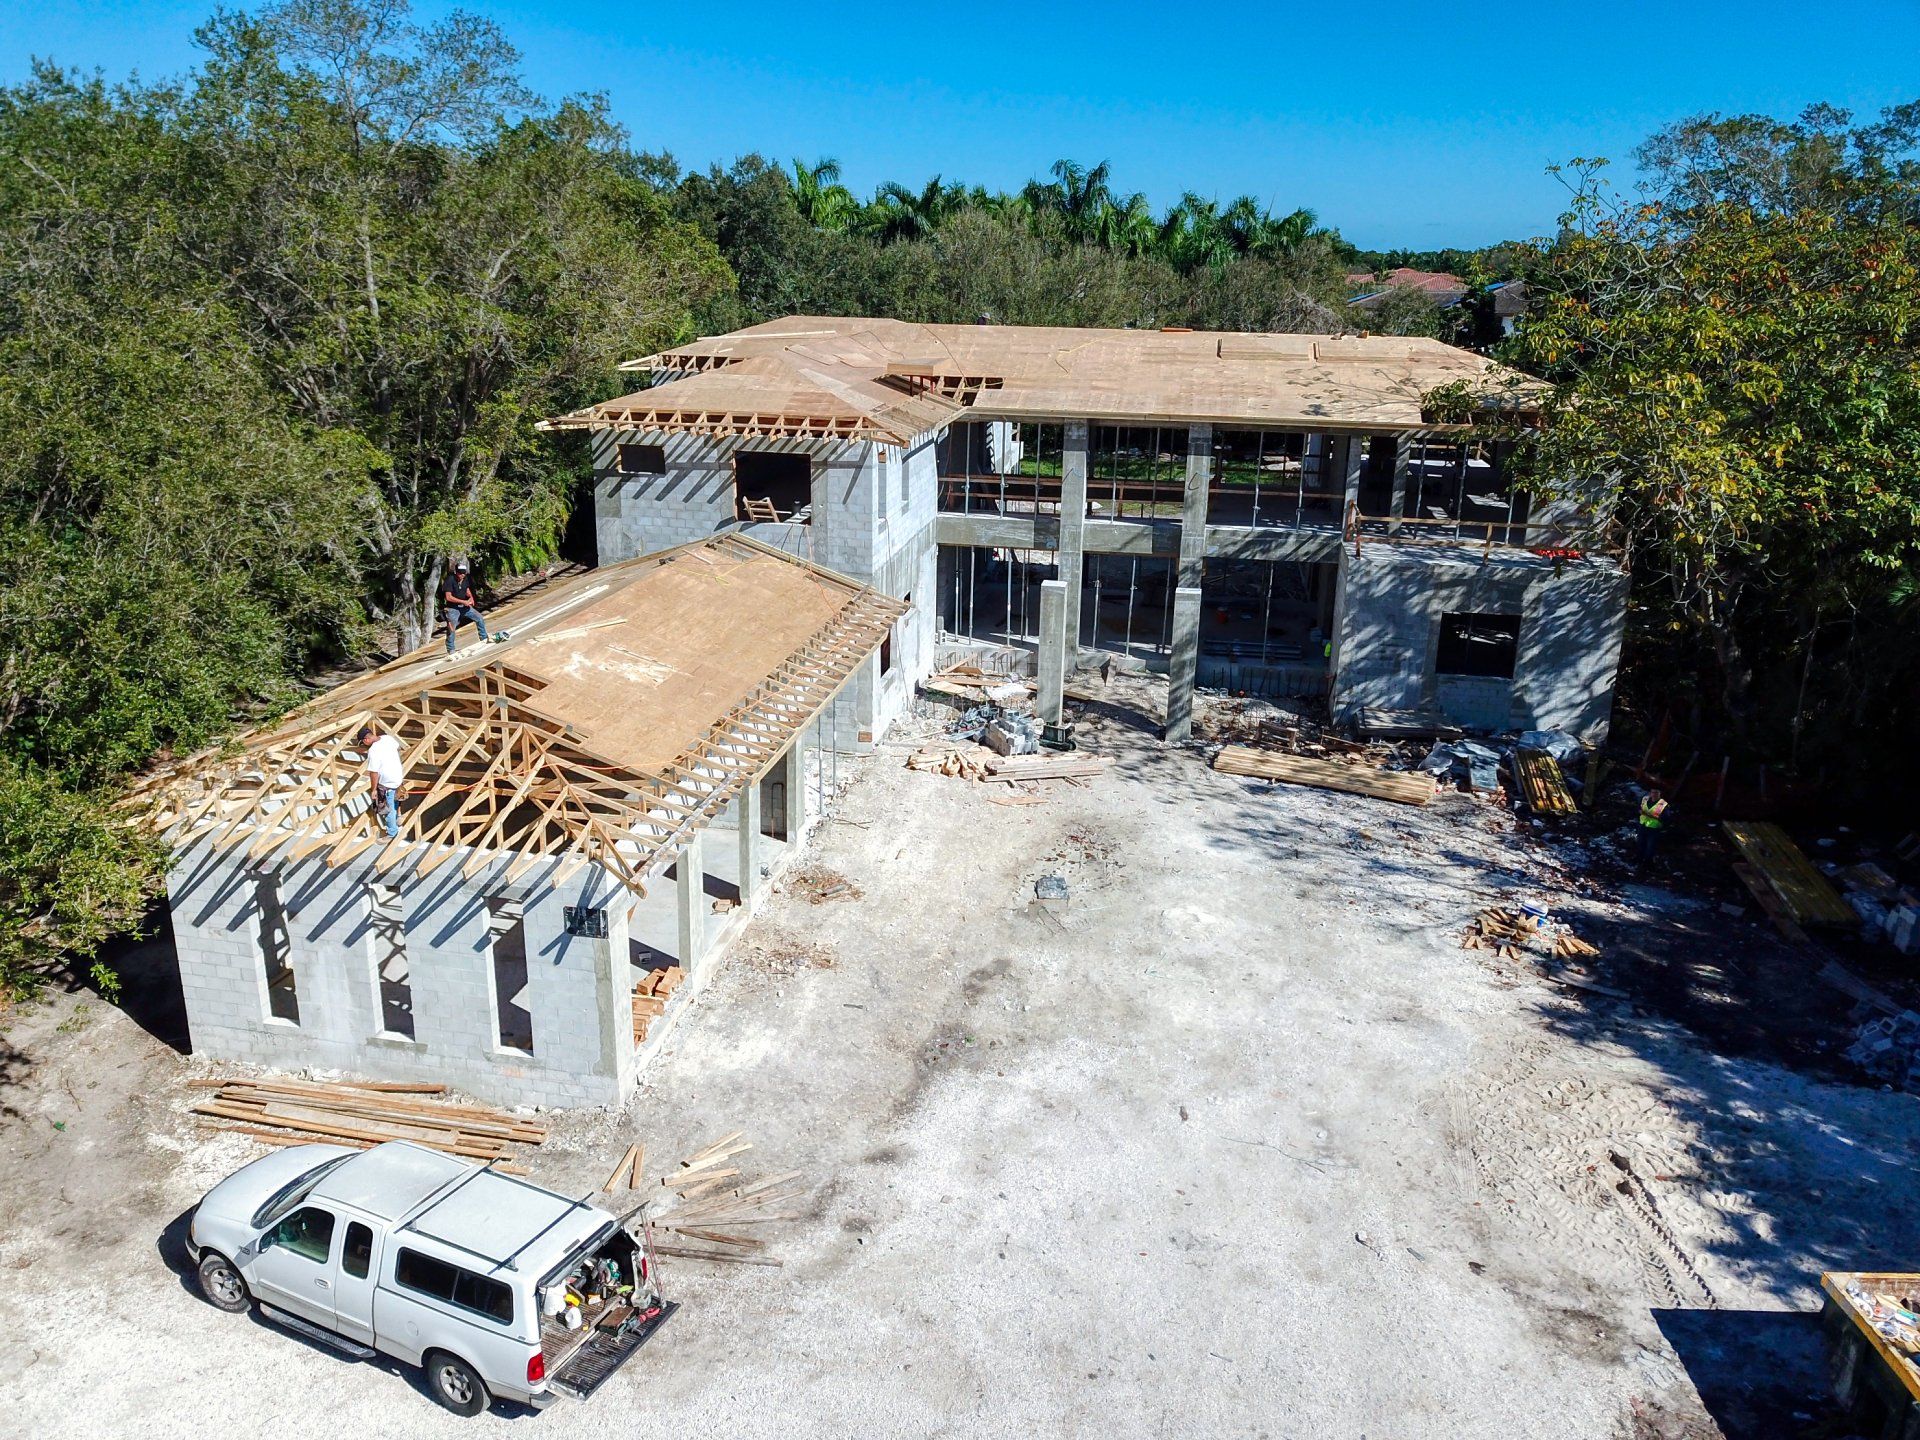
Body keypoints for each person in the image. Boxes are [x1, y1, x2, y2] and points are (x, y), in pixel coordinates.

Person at [361, 724, 404, 838]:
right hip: (397, 777)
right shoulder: (387, 738)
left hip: (387, 782)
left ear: (366, 739)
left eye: (363, 742)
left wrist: (374, 789)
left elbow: (374, 772)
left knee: (386, 807)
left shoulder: (373, 750)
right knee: (395, 800)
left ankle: (392, 832)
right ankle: (399, 817)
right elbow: (398, 747)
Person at [444, 559, 489, 654]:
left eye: (464, 573)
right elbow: (448, 597)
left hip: (465, 606)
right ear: (456, 572)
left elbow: (467, 590)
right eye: (460, 573)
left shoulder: (466, 579)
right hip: (453, 608)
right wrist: (462, 601)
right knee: (451, 627)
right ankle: (451, 648)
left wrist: (471, 598)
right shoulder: (450, 580)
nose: (462, 575)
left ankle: (484, 638)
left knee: (479, 618)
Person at [1637, 788, 1669, 862]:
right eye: (1652, 792)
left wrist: (1649, 815)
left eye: (1656, 793)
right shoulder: (1645, 799)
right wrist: (1639, 811)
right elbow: (1639, 807)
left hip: (1654, 828)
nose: (1654, 794)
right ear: (1650, 793)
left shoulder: (1663, 804)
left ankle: (1648, 861)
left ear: (1659, 794)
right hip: (1642, 825)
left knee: (1650, 846)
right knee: (1640, 842)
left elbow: (1665, 818)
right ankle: (1639, 858)